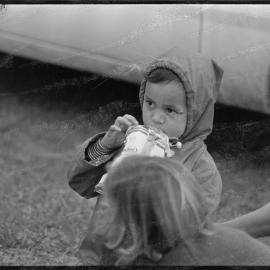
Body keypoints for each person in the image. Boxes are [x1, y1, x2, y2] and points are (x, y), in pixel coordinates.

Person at [67, 47, 224, 264]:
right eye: (150, 103)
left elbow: (197, 230)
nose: (156, 118)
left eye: (170, 110)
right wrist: (105, 146)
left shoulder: (201, 167)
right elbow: (80, 182)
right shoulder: (132, 142)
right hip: (102, 254)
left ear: (197, 113)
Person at [98, 155, 270, 266]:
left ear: (133, 219)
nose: (104, 208)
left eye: (109, 204)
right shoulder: (180, 241)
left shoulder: (183, 259)